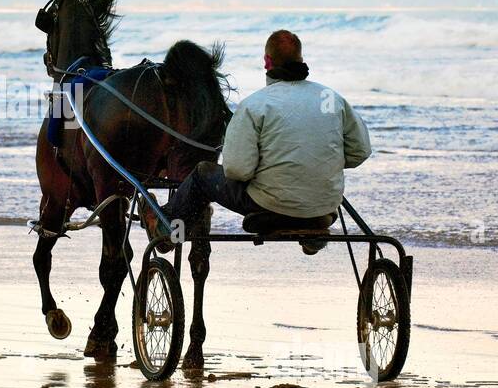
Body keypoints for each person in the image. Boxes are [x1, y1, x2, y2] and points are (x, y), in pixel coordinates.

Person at [153, 29, 371, 253]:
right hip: (324, 207)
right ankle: (311, 233)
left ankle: (166, 229)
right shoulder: (330, 98)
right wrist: (316, 160)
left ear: (267, 62)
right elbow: (360, 151)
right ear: (301, 60)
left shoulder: (256, 104)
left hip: (269, 207)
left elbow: (238, 170)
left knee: (201, 174)